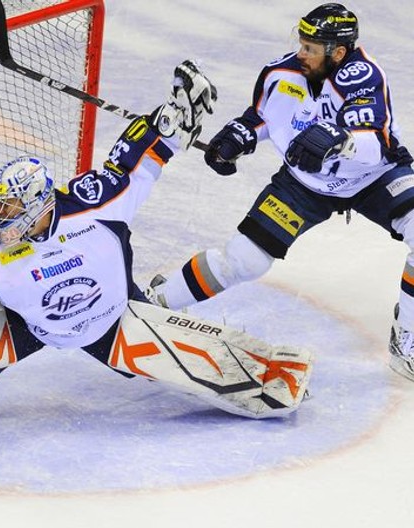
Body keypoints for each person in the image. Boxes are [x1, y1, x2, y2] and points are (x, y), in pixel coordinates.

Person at [0, 61, 312, 418]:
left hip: (113, 317)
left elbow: (133, 165)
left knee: (235, 380)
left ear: (42, 203)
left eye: (10, 208)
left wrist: (172, 120)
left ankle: (273, 374)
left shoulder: (93, 204)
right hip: (29, 326)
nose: (0, 217)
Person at [144, 4, 414, 381]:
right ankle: (160, 298)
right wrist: (239, 136)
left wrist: (341, 141)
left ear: (338, 52)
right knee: (244, 261)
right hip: (305, 187)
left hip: (374, 177)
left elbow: (377, 142)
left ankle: (409, 337)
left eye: (311, 49)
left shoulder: (363, 76)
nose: (301, 54)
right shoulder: (280, 73)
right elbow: (262, 117)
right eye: (301, 44)